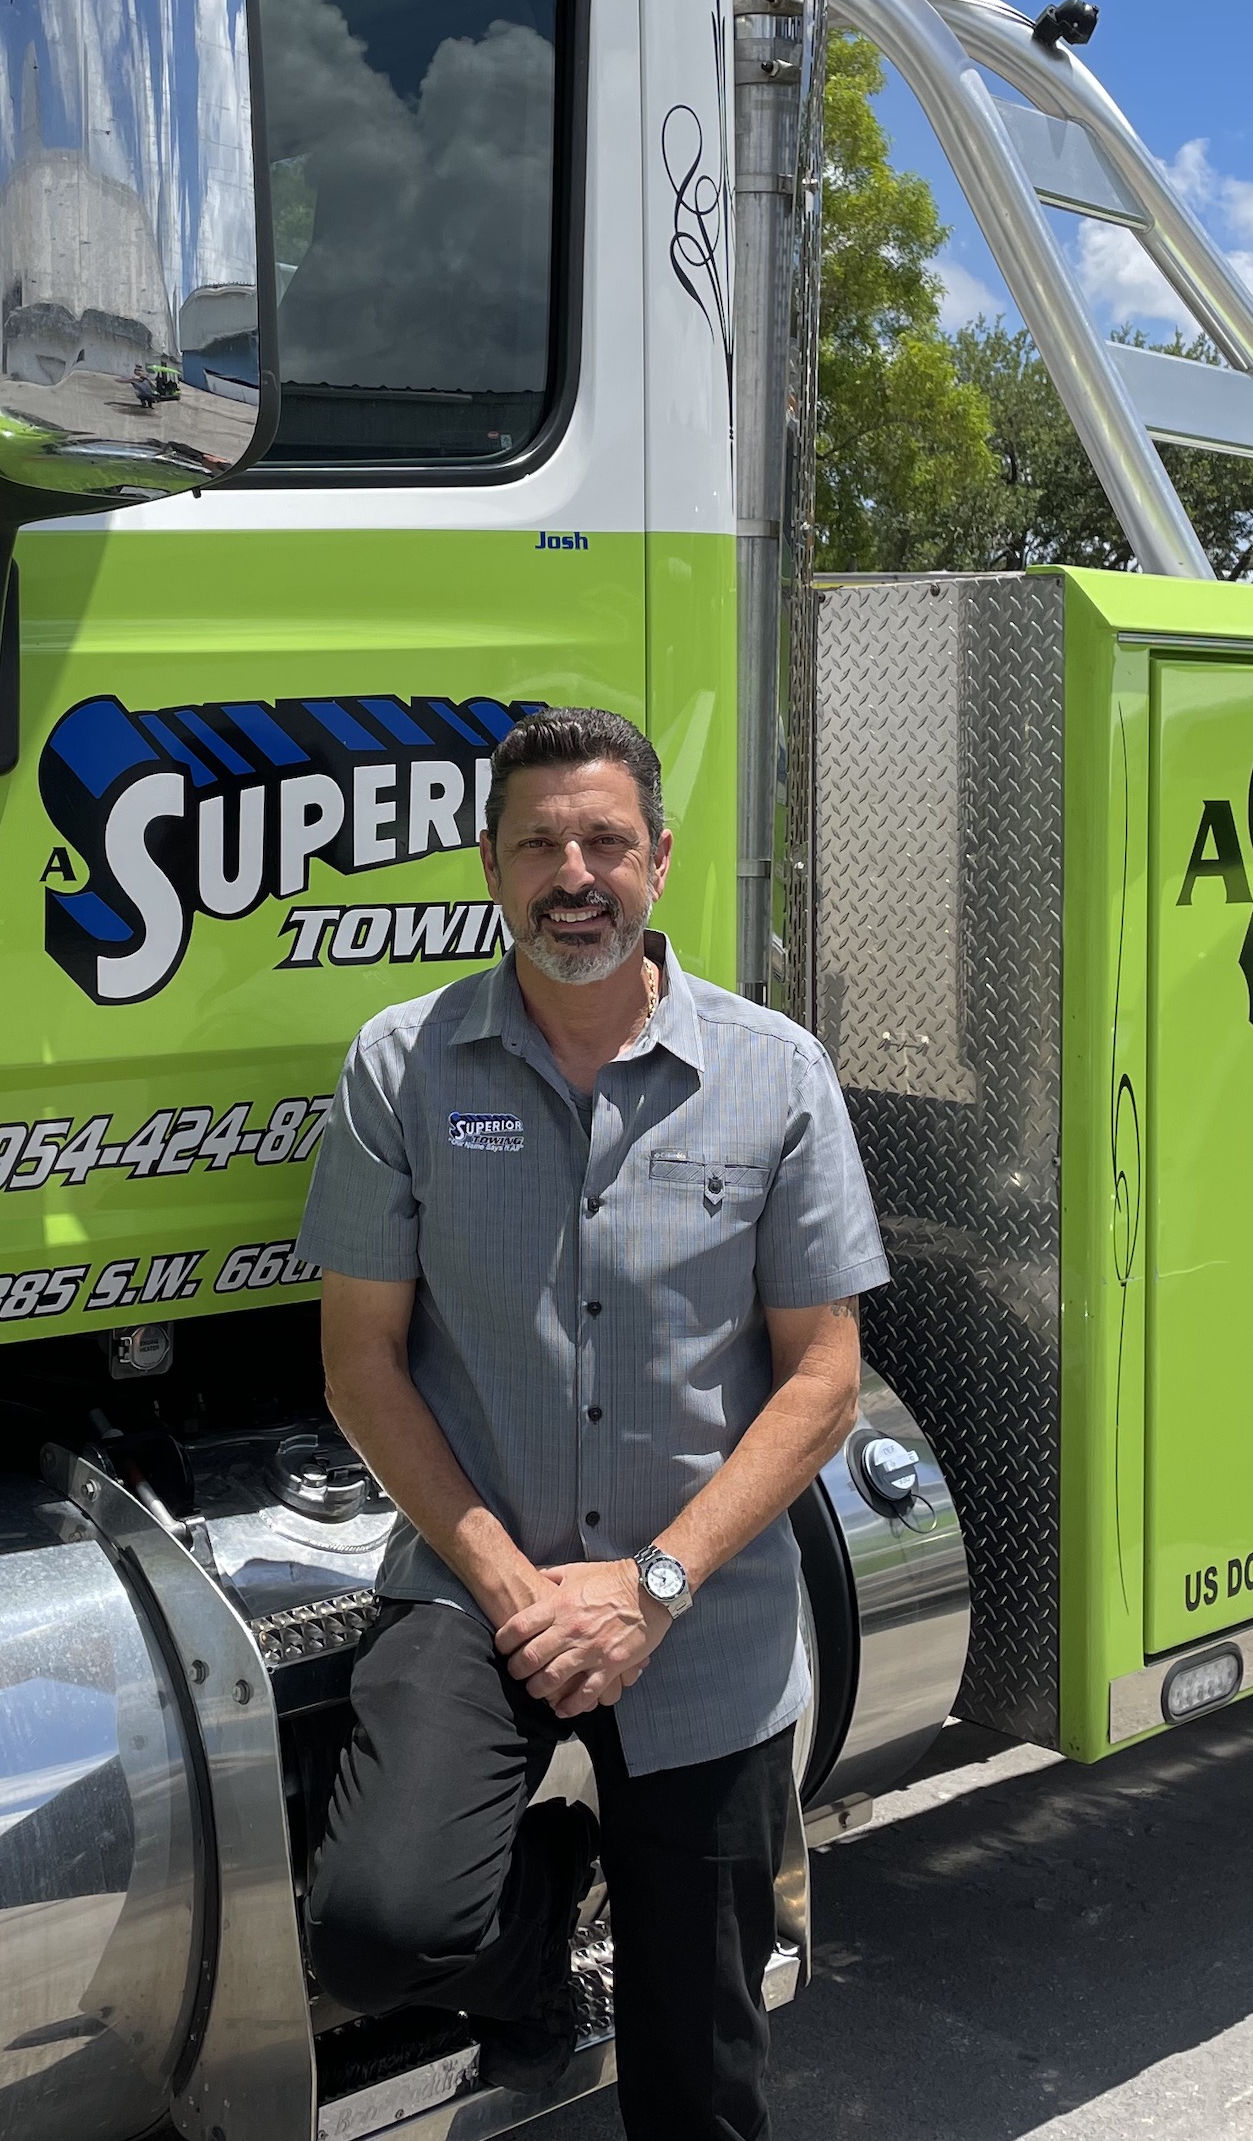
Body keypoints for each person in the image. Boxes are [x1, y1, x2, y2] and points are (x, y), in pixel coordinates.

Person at [294, 705, 888, 2141]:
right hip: (477, 1580)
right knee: (374, 1932)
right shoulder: (403, 1065)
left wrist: (653, 1585)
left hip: (702, 1602)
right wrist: (513, 1586)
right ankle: (548, 1905)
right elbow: (361, 1364)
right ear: (488, 866)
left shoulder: (776, 1073)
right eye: (539, 844)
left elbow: (823, 1378)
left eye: (606, 842)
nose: (575, 875)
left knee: (699, 2064)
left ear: (659, 861)